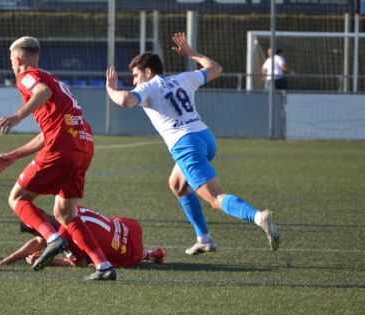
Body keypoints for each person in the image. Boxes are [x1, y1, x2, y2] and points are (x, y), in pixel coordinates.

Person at [105, 32, 279, 255]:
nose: (134, 81)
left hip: (186, 144)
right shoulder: (182, 78)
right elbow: (215, 68)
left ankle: (258, 217)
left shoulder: (148, 87)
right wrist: (192, 53)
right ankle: (204, 239)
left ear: (148, 72)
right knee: (177, 185)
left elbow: (126, 100)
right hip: (205, 137)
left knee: (215, 199)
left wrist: (110, 88)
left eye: (136, 75)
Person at [0, 36, 116, 281]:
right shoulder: (54, 78)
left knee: (17, 197)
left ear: (18, 59)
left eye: (11, 60)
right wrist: (15, 155)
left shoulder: (27, 76)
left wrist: (17, 117)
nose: (12, 65)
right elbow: (47, 133)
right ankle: (103, 267)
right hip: (83, 145)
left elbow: (41, 91)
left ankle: (53, 239)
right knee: (65, 213)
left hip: (64, 147)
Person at [0, 206, 166, 268]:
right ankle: (150, 254)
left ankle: (148, 254)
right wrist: (6, 261)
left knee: (95, 258)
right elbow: (40, 241)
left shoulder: (66, 235)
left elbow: (80, 264)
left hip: (125, 252)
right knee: (101, 238)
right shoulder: (65, 209)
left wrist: (50, 262)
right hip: (130, 227)